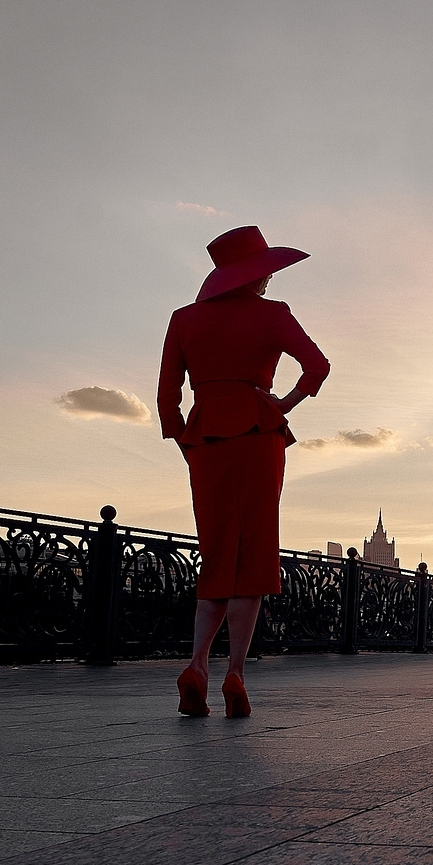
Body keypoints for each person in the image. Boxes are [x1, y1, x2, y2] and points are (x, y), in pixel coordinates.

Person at [159, 226, 329, 718]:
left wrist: (188, 443)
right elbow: (317, 365)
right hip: (258, 433)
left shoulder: (184, 320)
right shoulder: (273, 315)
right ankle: (235, 673)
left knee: (216, 553)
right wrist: (283, 404)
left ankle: (196, 665)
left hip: (206, 437)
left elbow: (168, 395)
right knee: (252, 555)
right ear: (256, 275)